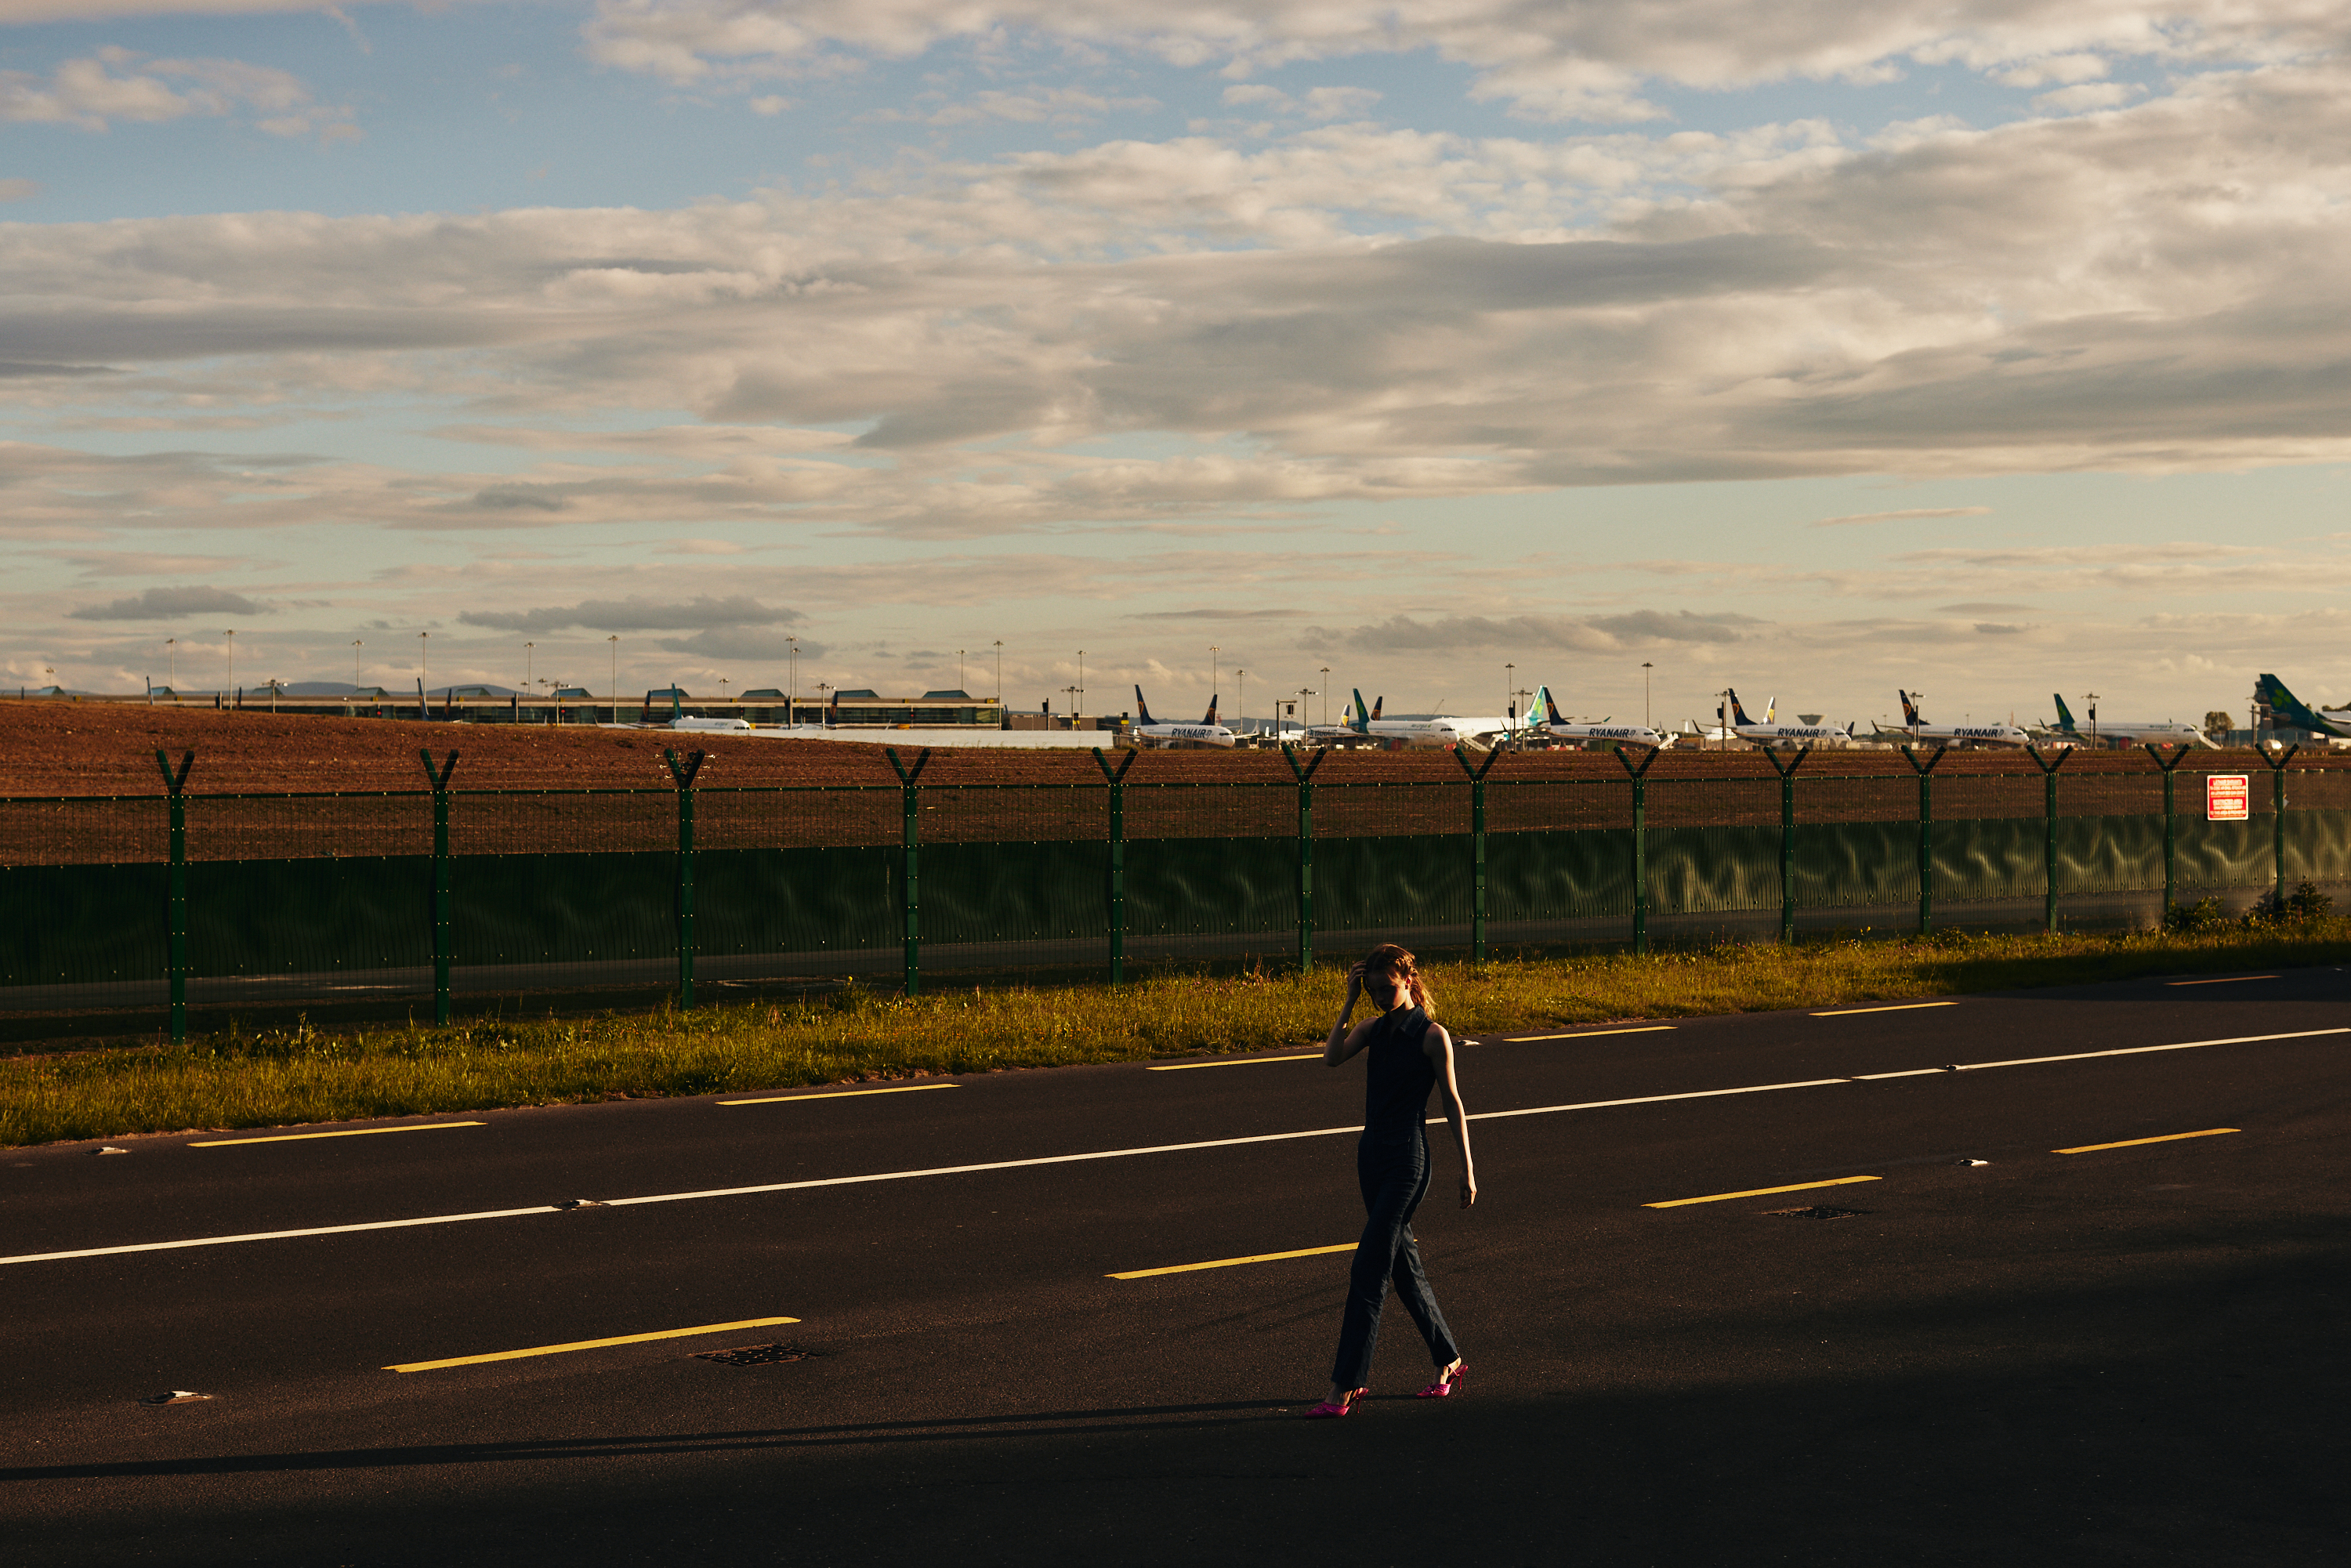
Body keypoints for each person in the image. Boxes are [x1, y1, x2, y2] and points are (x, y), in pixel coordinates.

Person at [1305, 943, 1476, 1419]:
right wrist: (1348, 1000)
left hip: (1407, 1160)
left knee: (1368, 1269)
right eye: (1374, 990)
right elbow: (1331, 1058)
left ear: (1408, 982)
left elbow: (1453, 1102)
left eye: (1389, 988)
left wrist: (1467, 1169)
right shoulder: (1371, 1029)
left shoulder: (1432, 1035)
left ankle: (1344, 1387)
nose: (1381, 997)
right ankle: (1450, 1359)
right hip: (1371, 1155)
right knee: (1403, 1267)